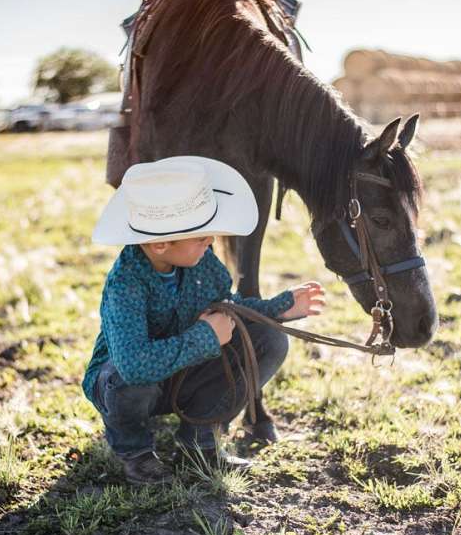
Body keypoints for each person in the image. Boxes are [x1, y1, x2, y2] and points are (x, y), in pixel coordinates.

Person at [82, 156, 325, 485]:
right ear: (160, 243)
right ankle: (136, 453)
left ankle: (200, 443)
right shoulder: (126, 284)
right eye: (200, 236)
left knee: (269, 339)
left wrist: (278, 308)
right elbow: (134, 366)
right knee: (127, 381)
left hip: (182, 370)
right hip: (131, 383)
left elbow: (228, 303)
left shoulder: (202, 262)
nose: (210, 240)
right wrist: (206, 336)